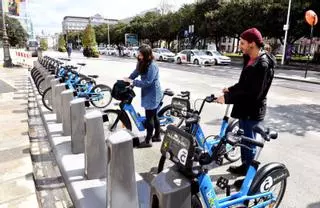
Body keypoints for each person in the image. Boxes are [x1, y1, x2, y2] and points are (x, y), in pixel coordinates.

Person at [216, 28, 276, 178]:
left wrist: (228, 99)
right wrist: (230, 89)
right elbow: (243, 84)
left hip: (252, 111)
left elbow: (253, 94)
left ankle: (249, 179)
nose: (240, 46)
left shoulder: (262, 65)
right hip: (244, 109)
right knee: (243, 142)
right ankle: (244, 167)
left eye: (242, 43)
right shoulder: (249, 58)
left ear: (252, 44)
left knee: (249, 144)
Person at [124, 45, 162, 148]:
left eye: (141, 55)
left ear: (147, 55)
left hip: (153, 93)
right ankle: (157, 136)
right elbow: (136, 72)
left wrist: (133, 82)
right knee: (154, 115)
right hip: (148, 93)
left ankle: (148, 140)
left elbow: (147, 82)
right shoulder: (142, 62)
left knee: (150, 116)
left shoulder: (152, 65)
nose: (139, 56)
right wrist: (128, 79)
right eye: (138, 54)